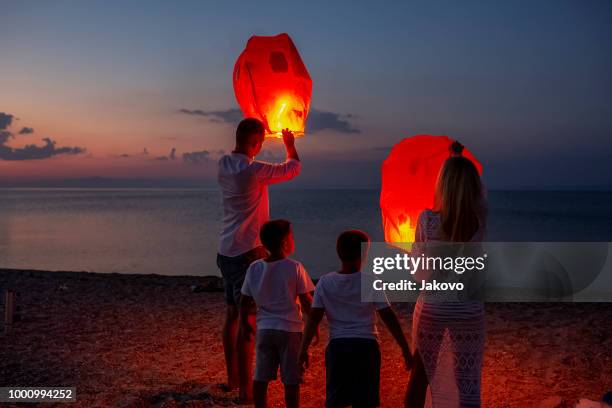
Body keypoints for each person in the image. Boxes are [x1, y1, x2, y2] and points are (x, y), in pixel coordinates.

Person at [216, 118, 301, 403]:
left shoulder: (224, 164)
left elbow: (250, 160)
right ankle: (245, 392)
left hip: (225, 250)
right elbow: (293, 169)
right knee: (248, 321)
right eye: (262, 141)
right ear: (256, 143)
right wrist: (290, 145)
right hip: (247, 251)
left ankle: (233, 378)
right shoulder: (253, 170)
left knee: (231, 315)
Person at [405, 144, 487, 408]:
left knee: (420, 376)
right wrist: (458, 159)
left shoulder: (427, 220)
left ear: (443, 185)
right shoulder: (480, 219)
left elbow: (418, 272)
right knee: (468, 380)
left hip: (434, 306)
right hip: (469, 307)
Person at [299, 230, 413, 408]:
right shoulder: (371, 281)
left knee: (336, 399)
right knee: (366, 400)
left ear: (338, 252)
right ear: (365, 254)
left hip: (338, 347)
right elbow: (389, 317)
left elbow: (313, 318)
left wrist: (302, 349)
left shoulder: (325, 282)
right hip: (366, 347)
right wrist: (405, 349)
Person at [239, 219, 315, 408]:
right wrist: (314, 322)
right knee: (291, 379)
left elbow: (245, 300)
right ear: (285, 243)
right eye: (292, 237)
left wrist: (244, 322)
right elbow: (306, 302)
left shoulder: (254, 267)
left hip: (265, 329)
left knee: (261, 375)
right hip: (290, 330)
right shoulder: (294, 267)